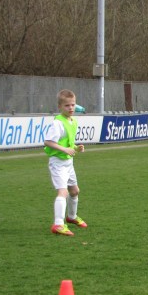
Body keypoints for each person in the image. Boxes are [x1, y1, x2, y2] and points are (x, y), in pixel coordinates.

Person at [44, 89, 88, 236]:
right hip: (58, 162)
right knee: (63, 192)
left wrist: (76, 148)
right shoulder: (58, 123)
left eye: (73, 105)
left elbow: (68, 144)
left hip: (68, 163)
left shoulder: (73, 122)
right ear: (60, 107)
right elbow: (48, 142)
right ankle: (58, 224)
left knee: (75, 191)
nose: (70, 108)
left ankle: (71, 217)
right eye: (67, 105)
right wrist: (64, 150)